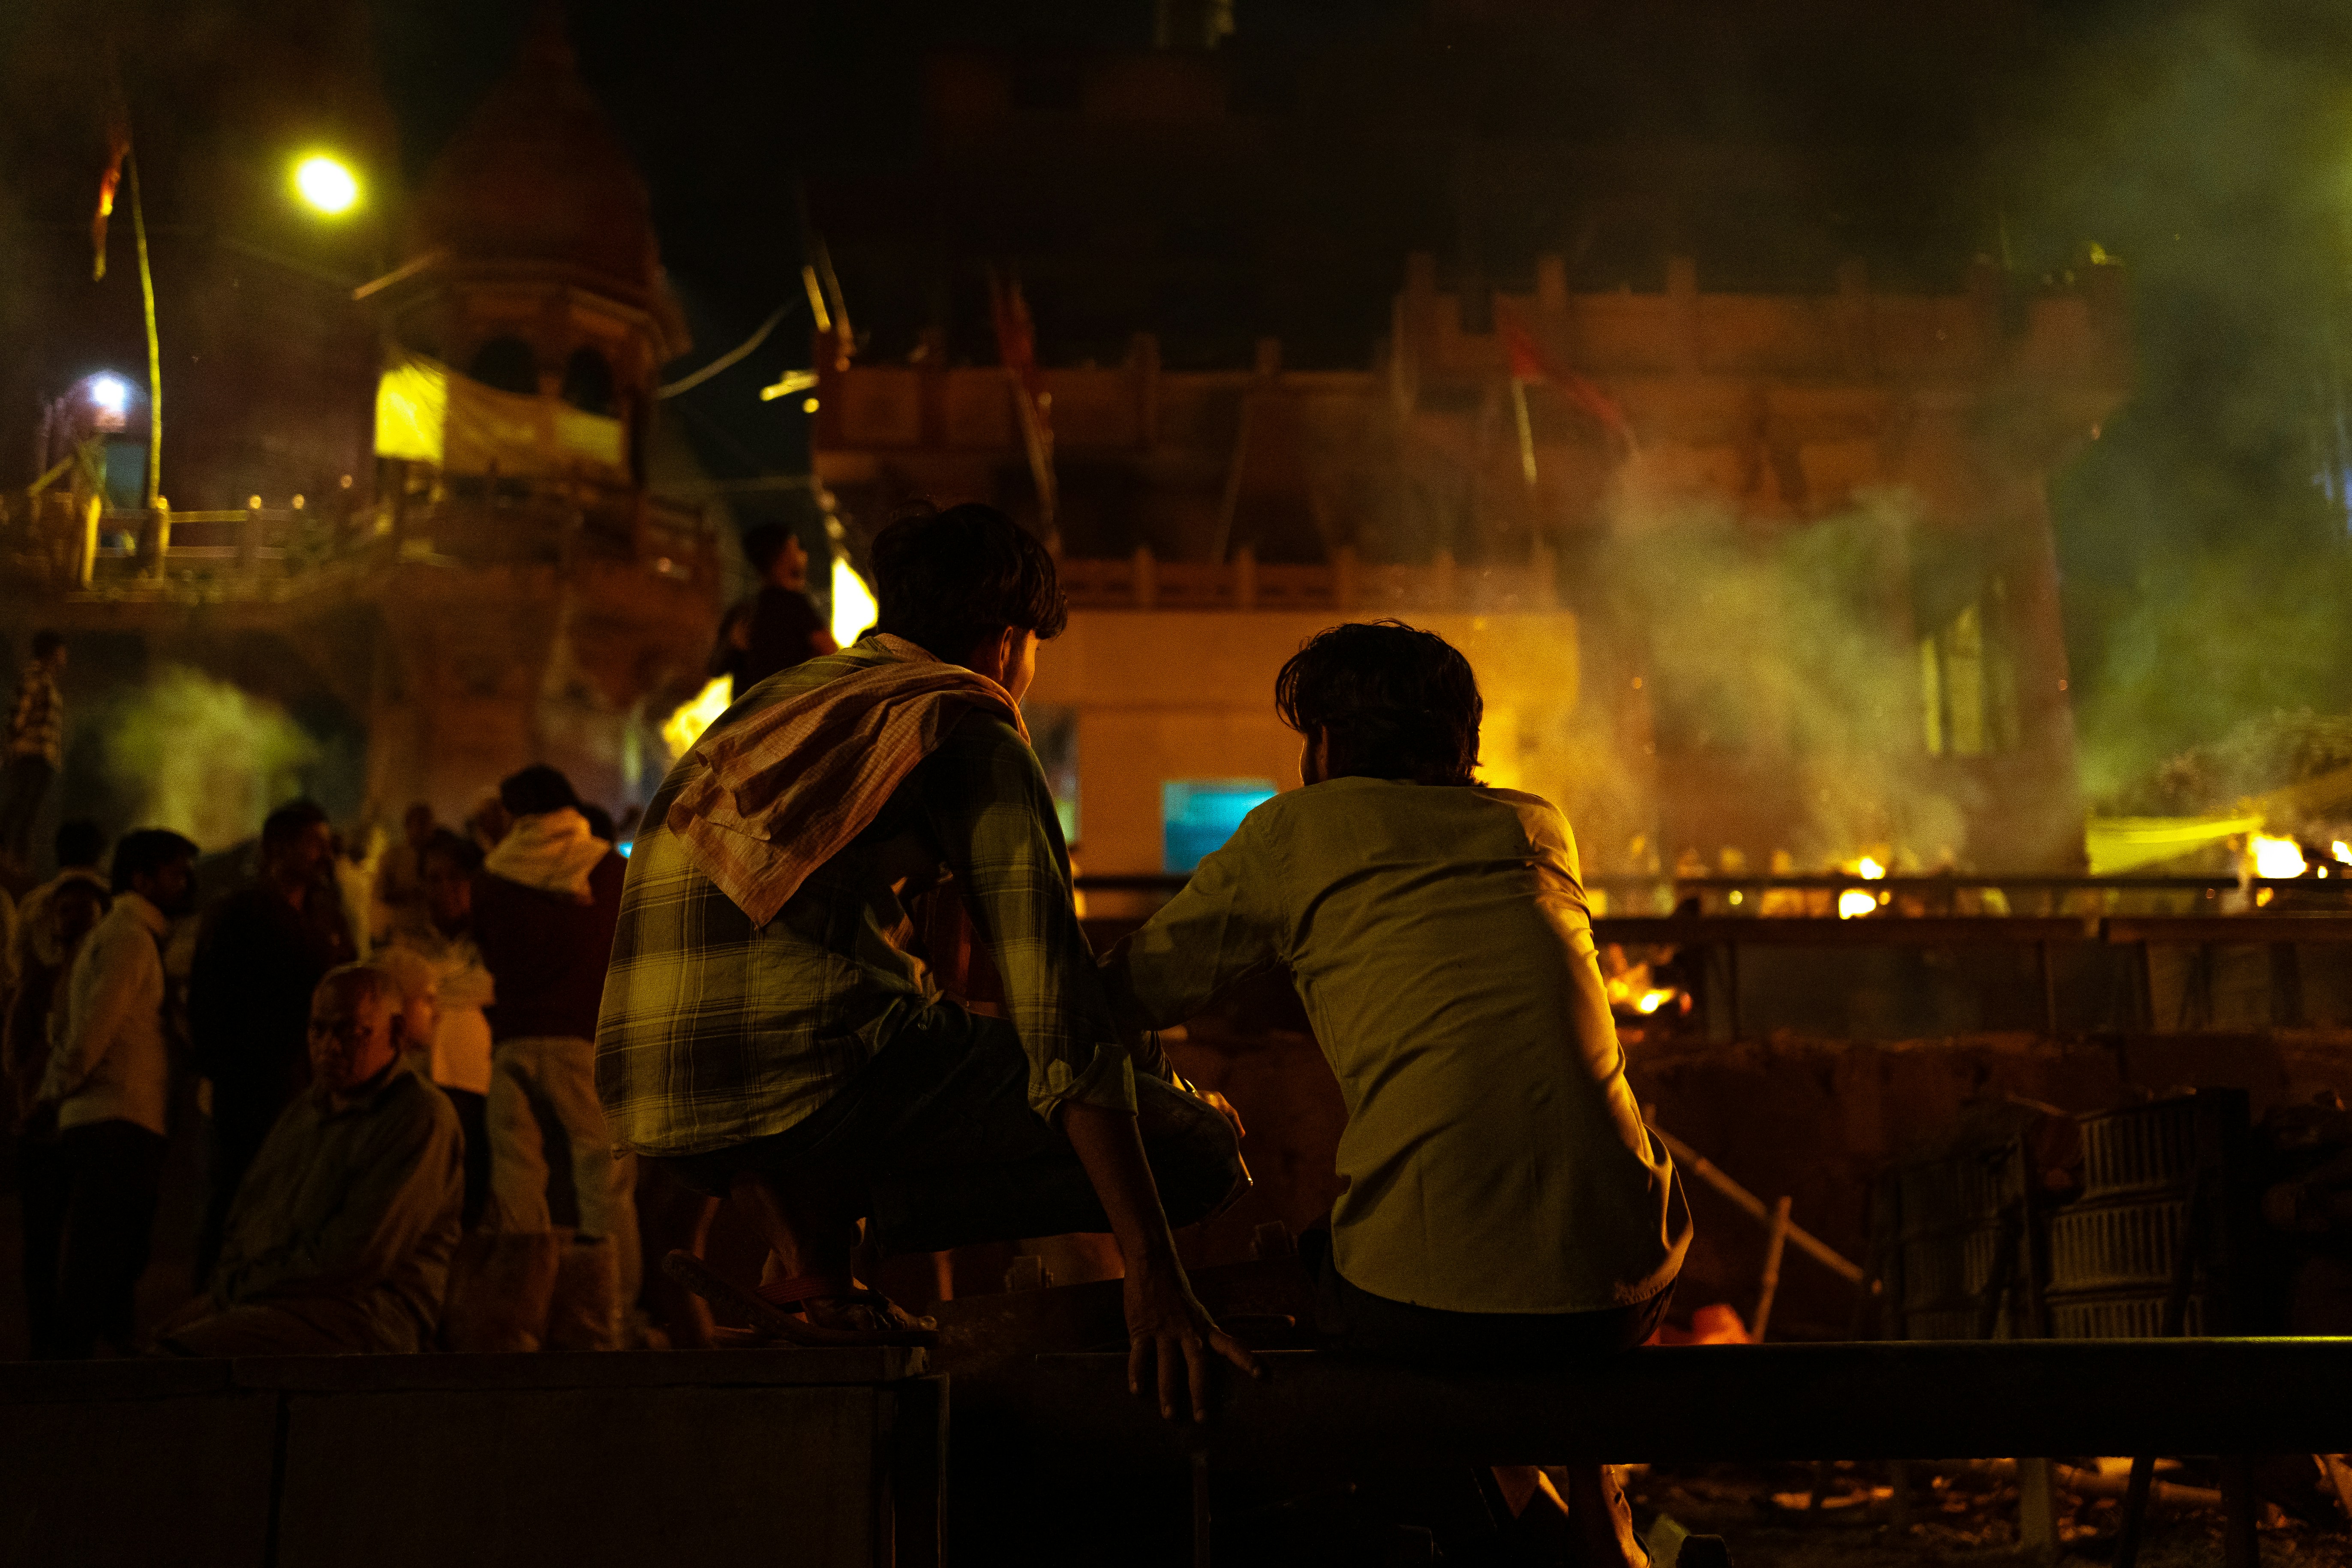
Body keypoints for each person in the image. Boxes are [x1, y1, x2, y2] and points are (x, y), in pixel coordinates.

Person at [598, 502, 1251, 1415]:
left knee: (902, 1037)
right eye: (1032, 652)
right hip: (803, 1078)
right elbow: (1055, 1006)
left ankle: (818, 1271)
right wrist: (1154, 1270)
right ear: (1006, 639)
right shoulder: (963, 719)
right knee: (1200, 1150)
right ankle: (859, 1235)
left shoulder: (777, 703)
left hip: (653, 1096)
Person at [1096, 620, 1692, 1562]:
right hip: (1633, 1273)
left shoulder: (1293, 832)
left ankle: (1526, 1518)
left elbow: (1119, 996)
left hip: (1433, 1307)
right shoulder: (1537, 824)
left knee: (1344, 1288)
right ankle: (1595, 1507)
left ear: (1324, 745)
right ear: (1463, 743)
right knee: (1515, 1319)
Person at [155, 964, 464, 1356]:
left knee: (181, 1357)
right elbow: (247, 1215)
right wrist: (226, 1288)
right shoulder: (306, 1111)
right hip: (274, 1301)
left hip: (364, 1314)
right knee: (149, 1355)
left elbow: (356, 1256)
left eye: (350, 1032)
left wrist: (237, 1289)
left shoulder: (418, 1115)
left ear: (397, 1032)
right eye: (318, 1030)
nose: (329, 1047)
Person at [452, 764, 633, 1352]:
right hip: (582, 1042)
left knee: (518, 1188)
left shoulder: (491, 875)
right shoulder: (608, 868)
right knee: (603, 1185)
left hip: (510, 1046)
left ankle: (517, 1318)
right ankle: (612, 1313)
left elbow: (485, 951)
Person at [25, 829, 198, 1357]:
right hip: (116, 1121)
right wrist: (50, 1097)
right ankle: (66, 1388)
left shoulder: (129, 935)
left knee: (110, 1261)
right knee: (97, 1264)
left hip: (115, 1119)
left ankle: (91, 1382)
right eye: (175, 872)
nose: (186, 883)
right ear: (142, 879)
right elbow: (91, 1032)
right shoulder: (127, 938)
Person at [188, 799, 358, 1283]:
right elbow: (209, 998)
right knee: (240, 1188)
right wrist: (222, 1069)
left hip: (309, 1081)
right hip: (252, 1083)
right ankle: (212, 1296)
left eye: (327, 846)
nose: (325, 857)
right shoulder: (240, 914)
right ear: (276, 849)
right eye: (314, 846)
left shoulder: (326, 916)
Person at [7, 862, 110, 1358]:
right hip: (44, 1128)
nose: (73, 920)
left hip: (81, 1124)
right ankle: (48, 1339)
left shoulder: (102, 977)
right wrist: (32, 1100)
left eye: (83, 912)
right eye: (65, 911)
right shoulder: (42, 980)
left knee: (86, 1239)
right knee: (44, 1239)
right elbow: (16, 1047)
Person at [385, 830, 496, 1225]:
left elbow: (492, 987)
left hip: (478, 1084)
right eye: (433, 879)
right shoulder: (404, 939)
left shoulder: (492, 939)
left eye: (455, 879)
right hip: (417, 1081)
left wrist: (429, 991)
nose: (444, 890)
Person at [708, 522, 839, 694]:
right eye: (797, 548)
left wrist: (733, 646)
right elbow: (833, 654)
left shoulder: (744, 612)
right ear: (783, 556)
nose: (804, 555)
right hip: (788, 713)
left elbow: (715, 668)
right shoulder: (795, 606)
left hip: (749, 717)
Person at [0, 630, 67, 871]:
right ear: (52, 652)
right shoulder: (35, 677)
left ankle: (17, 858)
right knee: (20, 804)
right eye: (61, 650)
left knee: (29, 810)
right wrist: (9, 750)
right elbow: (19, 715)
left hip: (42, 755)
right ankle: (8, 854)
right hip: (30, 754)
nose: (65, 656)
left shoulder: (47, 680)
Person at [371, 803, 438, 944]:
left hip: (426, 933)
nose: (426, 829)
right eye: (421, 823)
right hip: (397, 933)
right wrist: (409, 895)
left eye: (429, 824)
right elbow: (381, 893)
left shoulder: (437, 859)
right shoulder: (393, 857)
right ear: (408, 826)